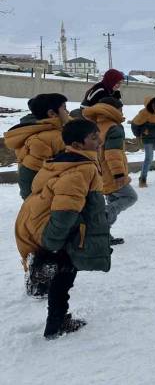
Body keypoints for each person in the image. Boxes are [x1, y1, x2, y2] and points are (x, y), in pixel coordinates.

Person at [15, 119, 111, 339]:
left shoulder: (65, 161)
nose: (99, 141)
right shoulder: (80, 170)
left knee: (63, 277)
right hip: (64, 235)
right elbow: (65, 211)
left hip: (64, 231)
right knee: (64, 278)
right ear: (77, 145)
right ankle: (55, 325)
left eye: (98, 135)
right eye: (93, 138)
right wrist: (53, 244)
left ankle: (57, 318)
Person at [83, 97, 138, 246]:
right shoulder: (114, 127)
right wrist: (119, 173)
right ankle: (102, 217)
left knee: (113, 200)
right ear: (114, 110)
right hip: (111, 173)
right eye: (121, 109)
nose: (122, 112)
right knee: (130, 197)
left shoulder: (95, 125)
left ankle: (104, 234)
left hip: (99, 171)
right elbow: (112, 153)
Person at [4, 93, 71, 199]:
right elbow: (29, 175)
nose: (68, 112)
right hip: (48, 198)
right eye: (64, 109)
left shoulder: (61, 131)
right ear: (52, 113)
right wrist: (32, 200)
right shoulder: (43, 140)